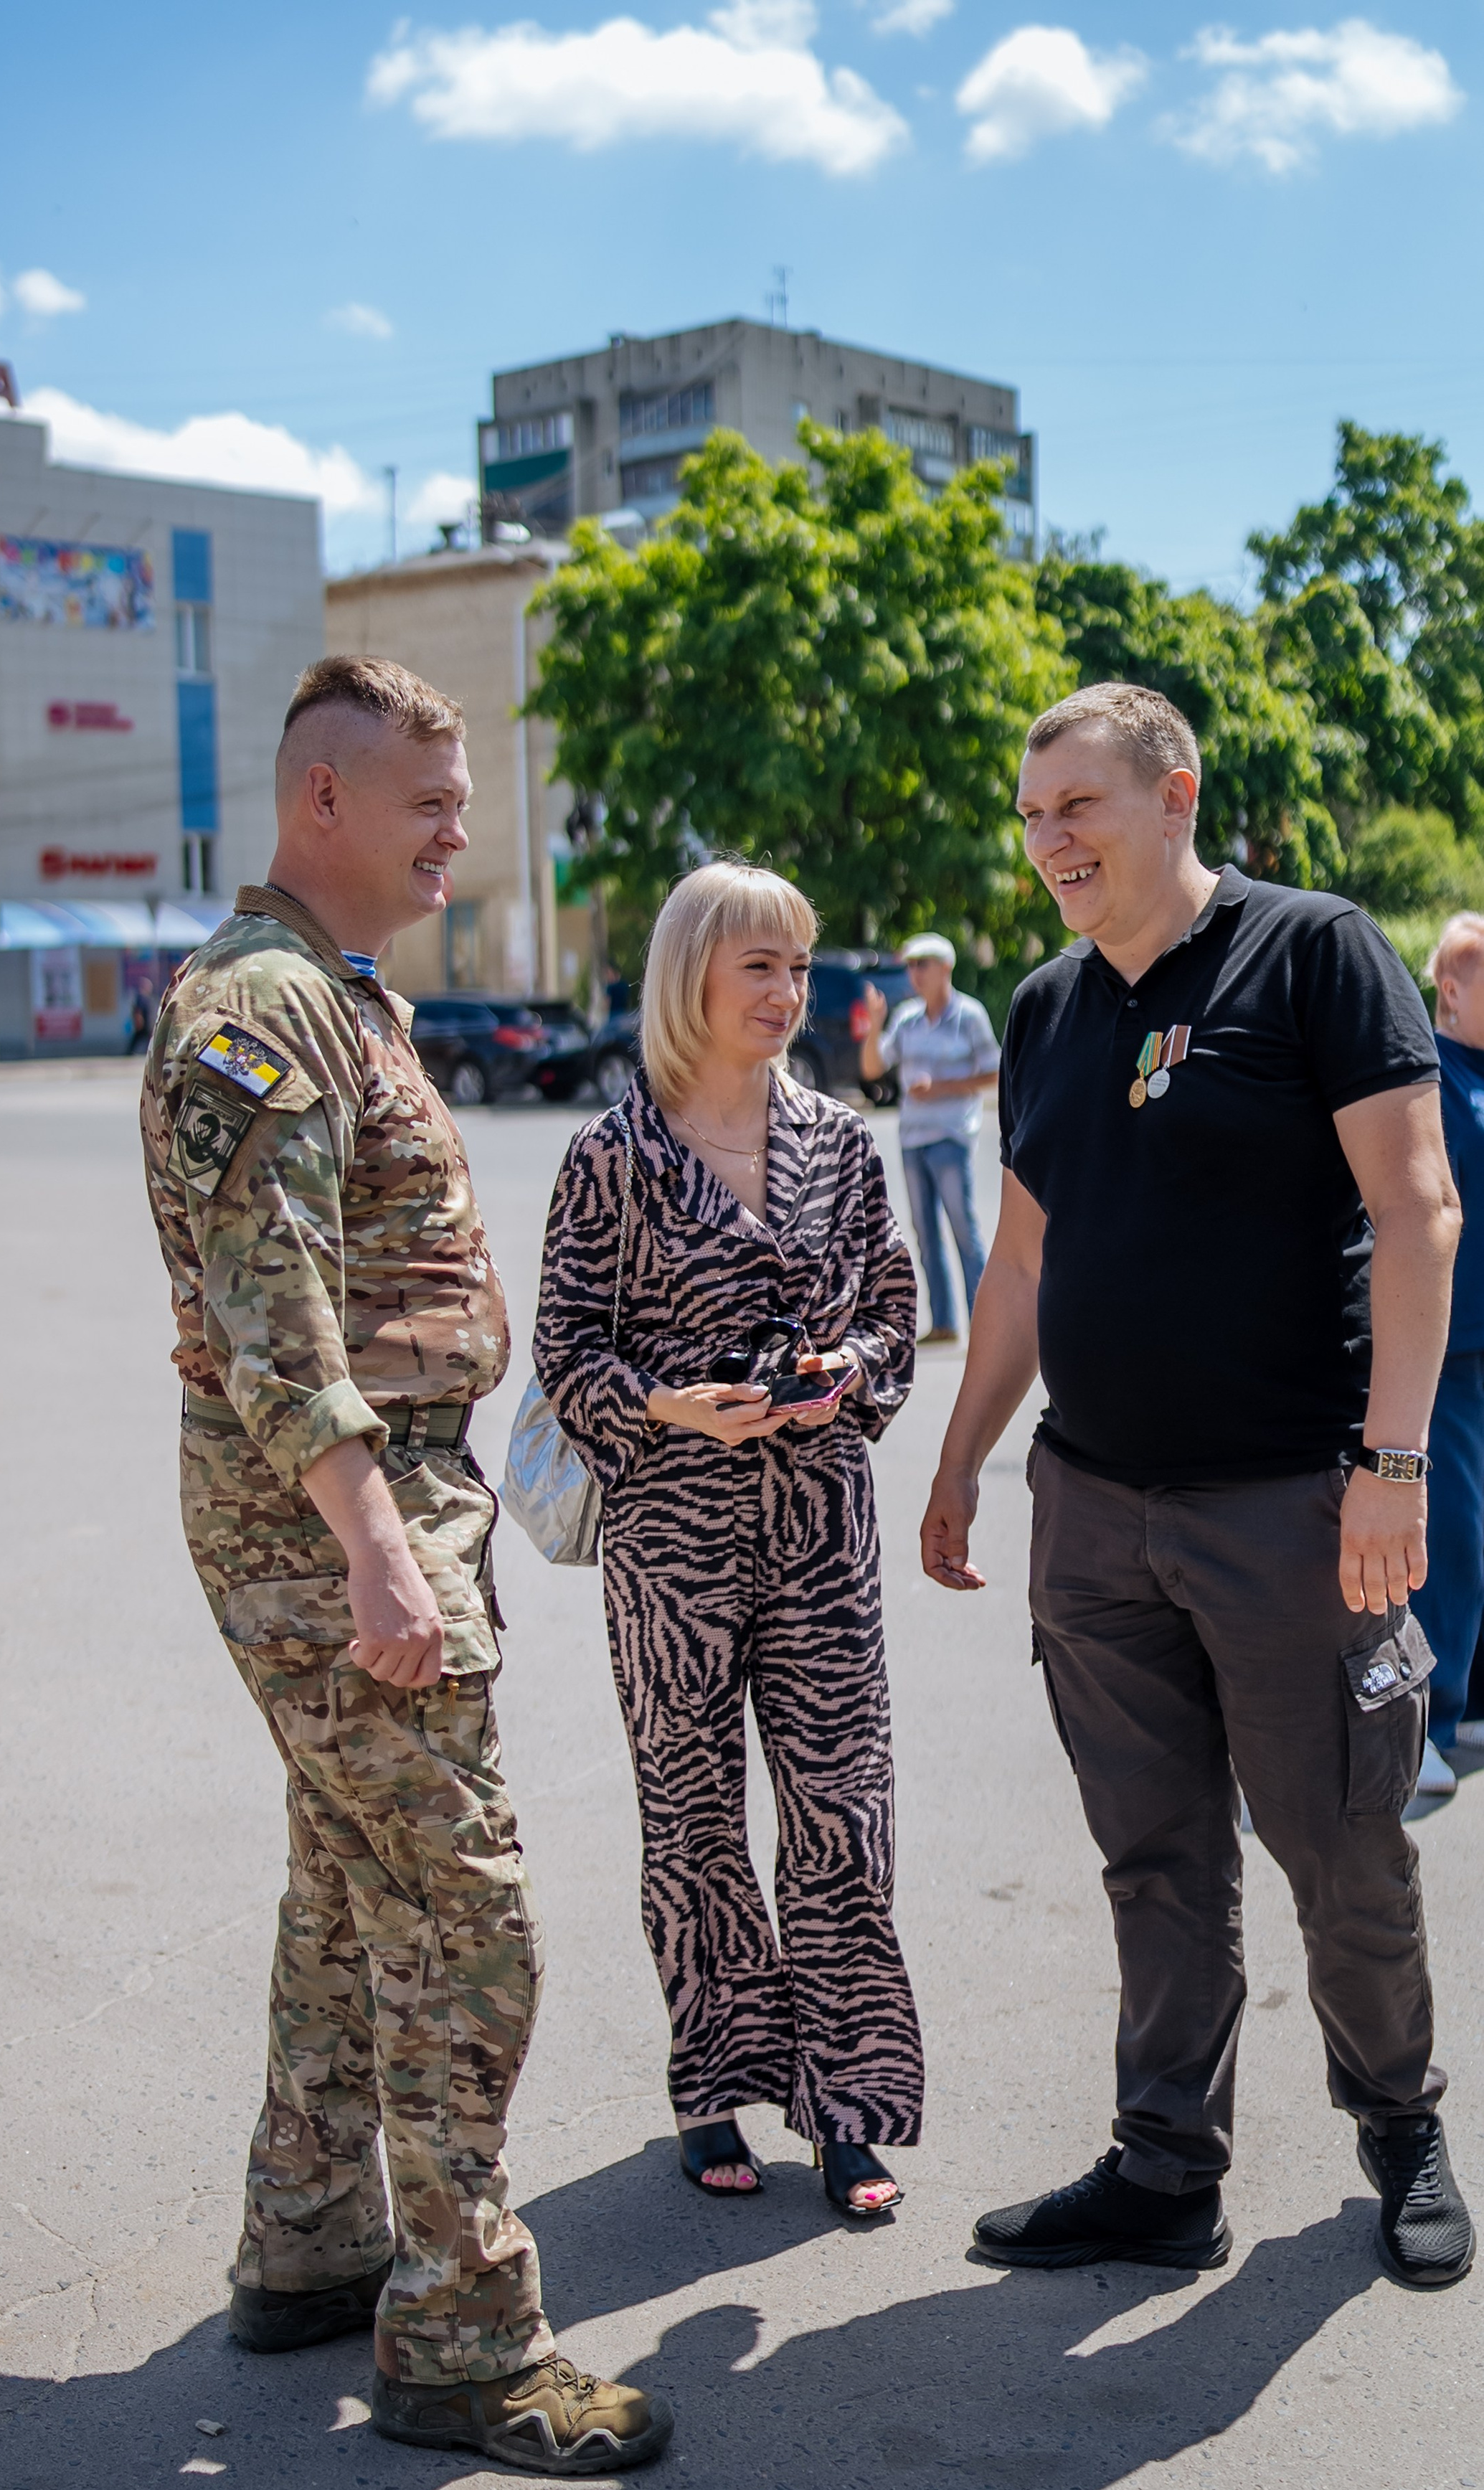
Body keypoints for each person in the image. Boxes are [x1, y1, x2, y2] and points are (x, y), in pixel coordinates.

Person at [140, 653, 671, 2474]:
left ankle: (310, 2242)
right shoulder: (261, 1001)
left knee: (346, 1881)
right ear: (321, 802)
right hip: (329, 1521)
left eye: (461, 798)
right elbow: (270, 1308)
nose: (457, 828)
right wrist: (381, 1552)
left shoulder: (335, 994)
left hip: (372, 1504)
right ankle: (459, 2339)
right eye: (426, 801)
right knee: (464, 1918)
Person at [921, 679, 1474, 2293]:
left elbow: (1418, 1207)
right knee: (1152, 1857)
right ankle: (1165, 2168)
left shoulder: (1311, 954)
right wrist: (961, 1458)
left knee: (1343, 1843)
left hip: (1289, 1507)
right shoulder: (1043, 1008)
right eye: (1029, 818)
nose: (1045, 843)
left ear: (1173, 797)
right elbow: (1021, 1260)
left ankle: (1398, 2129)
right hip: (1091, 1512)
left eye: (1073, 808)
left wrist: (1388, 1463)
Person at [533, 864, 924, 2220]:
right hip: (671, 1541)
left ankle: (849, 2099)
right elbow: (565, 1353)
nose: (787, 991)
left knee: (841, 1813)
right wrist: (663, 1405)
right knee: (691, 1819)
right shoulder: (613, 1156)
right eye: (757, 963)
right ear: (689, 973)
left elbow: (894, 1309)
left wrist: (845, 1372)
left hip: (821, 1529)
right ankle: (712, 2079)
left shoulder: (840, 1140)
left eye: (798, 966)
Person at [1410, 914, 1484, 1795]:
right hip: (1450, 1344)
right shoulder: (1426, 1077)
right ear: (1452, 991)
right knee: (1450, 1538)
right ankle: (1424, 1720)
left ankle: (1469, 1706)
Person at [860, 933, 1000, 1346]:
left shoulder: (969, 1015)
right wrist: (874, 1028)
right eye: (911, 965)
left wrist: (940, 1087)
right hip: (913, 1139)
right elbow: (871, 1068)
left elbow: (995, 1072)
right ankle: (944, 1323)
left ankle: (984, 1324)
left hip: (951, 1136)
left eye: (923, 964)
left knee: (964, 1229)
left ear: (945, 968)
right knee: (924, 1234)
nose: (914, 973)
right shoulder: (906, 1018)